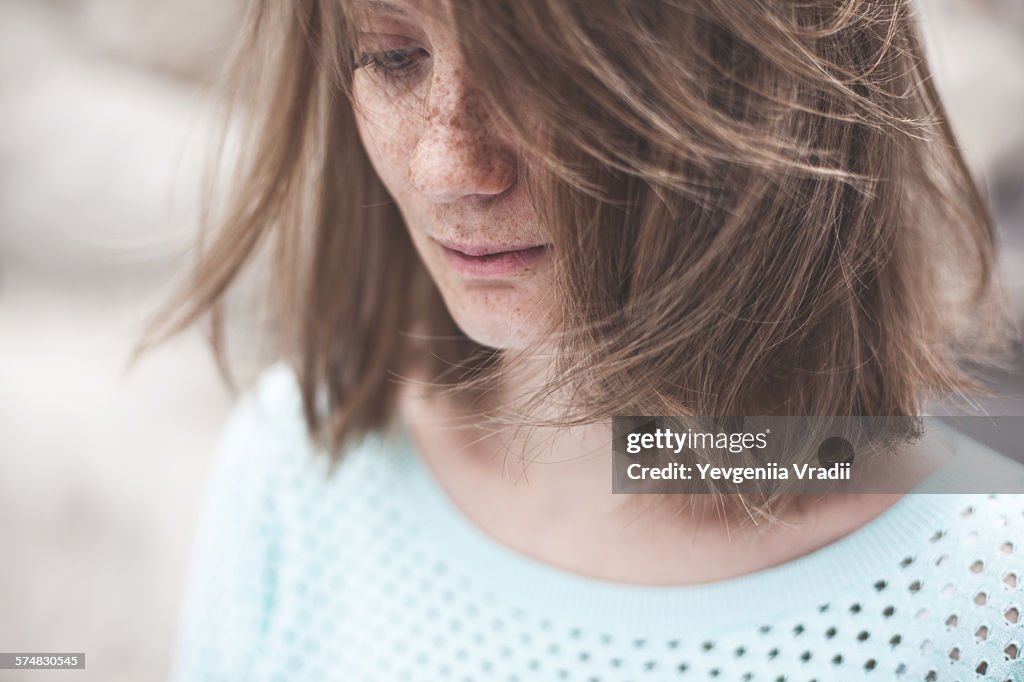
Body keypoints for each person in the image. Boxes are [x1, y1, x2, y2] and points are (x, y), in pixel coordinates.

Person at [149, 0, 1024, 679]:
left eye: (544, 77)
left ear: (761, 81)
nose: (447, 168)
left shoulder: (988, 592)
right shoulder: (297, 467)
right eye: (392, 55)